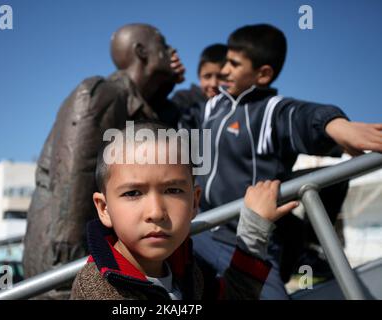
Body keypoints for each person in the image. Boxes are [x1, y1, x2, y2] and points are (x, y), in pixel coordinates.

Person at [190, 24, 382, 299]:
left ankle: (311, 253)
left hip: (246, 241)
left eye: (234, 64)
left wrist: (337, 125)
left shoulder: (269, 111)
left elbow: (301, 116)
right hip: (201, 228)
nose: (224, 71)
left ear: (263, 74)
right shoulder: (212, 107)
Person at [22, 23, 186, 298]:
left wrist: (165, 84)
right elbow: (73, 178)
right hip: (63, 266)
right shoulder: (101, 93)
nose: (172, 51)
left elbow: (161, 137)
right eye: (163, 43)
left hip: (92, 261)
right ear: (141, 51)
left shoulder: (138, 105)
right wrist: (67, 272)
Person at [70, 121, 298, 300]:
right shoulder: (97, 288)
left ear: (194, 202)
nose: (156, 212)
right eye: (133, 193)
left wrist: (253, 229)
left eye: (172, 190)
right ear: (104, 209)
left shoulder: (188, 268)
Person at [172, 44, 228, 130]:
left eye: (221, 77)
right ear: (199, 76)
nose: (213, 84)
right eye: (207, 76)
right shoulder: (184, 99)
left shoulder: (235, 106)